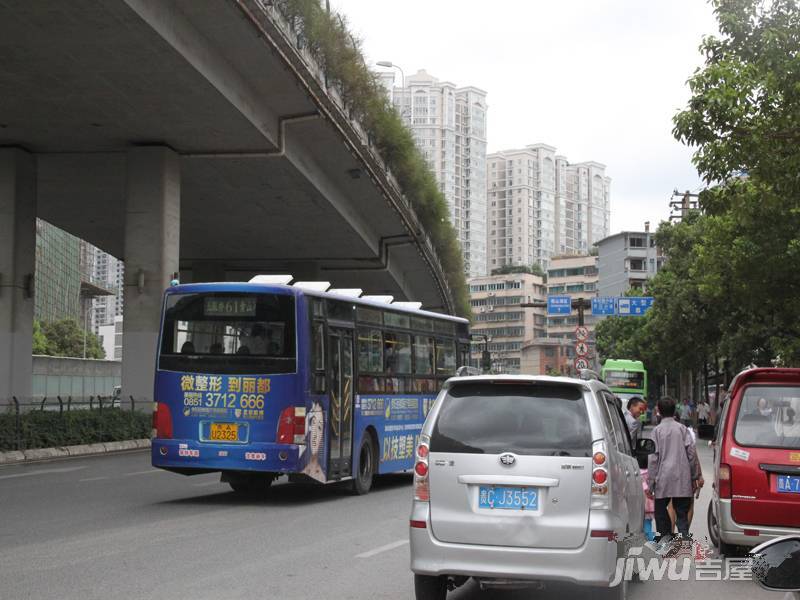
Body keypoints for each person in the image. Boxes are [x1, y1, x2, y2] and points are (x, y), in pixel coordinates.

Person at [647, 397, 700, 542]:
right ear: (675, 410)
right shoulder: (682, 429)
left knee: (661, 513)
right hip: (682, 478)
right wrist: (695, 476)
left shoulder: (656, 431)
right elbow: (692, 454)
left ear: (659, 411)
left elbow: (653, 459)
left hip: (662, 479)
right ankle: (684, 541)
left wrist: (650, 483)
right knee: (682, 514)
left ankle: (665, 540)